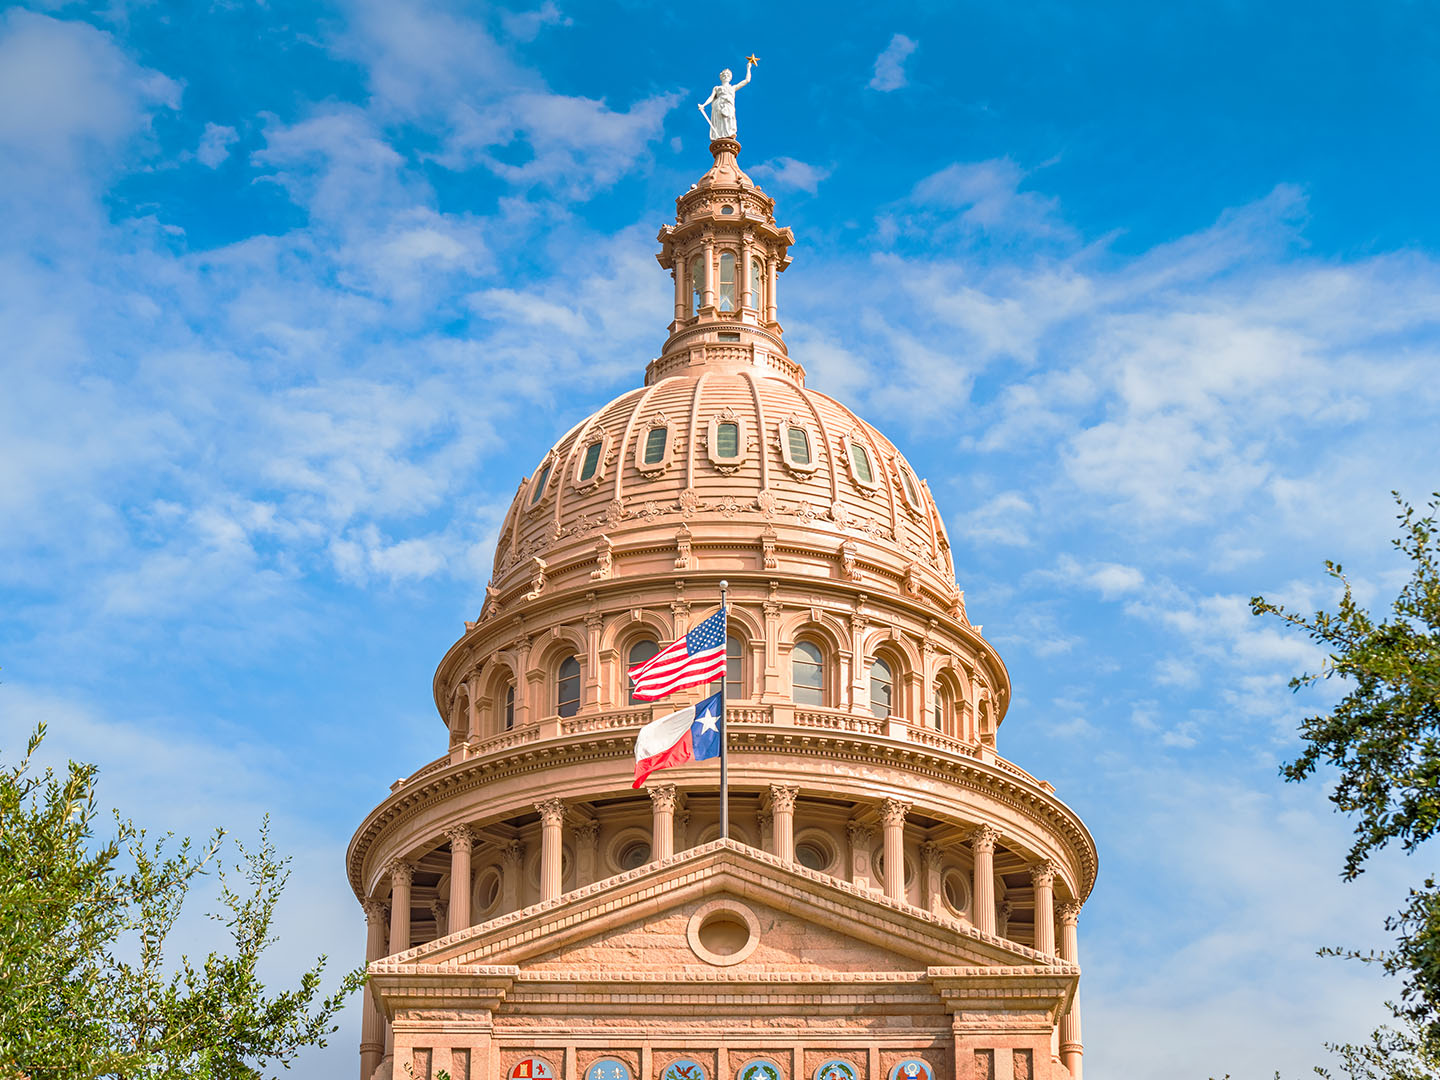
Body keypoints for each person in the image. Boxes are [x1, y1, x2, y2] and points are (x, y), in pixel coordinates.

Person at [698, 62, 753, 141]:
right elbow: (711, 97)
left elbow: (747, 80)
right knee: (720, 122)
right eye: (724, 74)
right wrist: (704, 105)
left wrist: (748, 68)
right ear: (721, 77)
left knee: (729, 118)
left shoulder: (733, 87)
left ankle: (729, 134)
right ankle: (720, 136)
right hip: (718, 105)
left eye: (727, 74)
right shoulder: (717, 88)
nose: (725, 76)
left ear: (730, 77)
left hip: (728, 105)